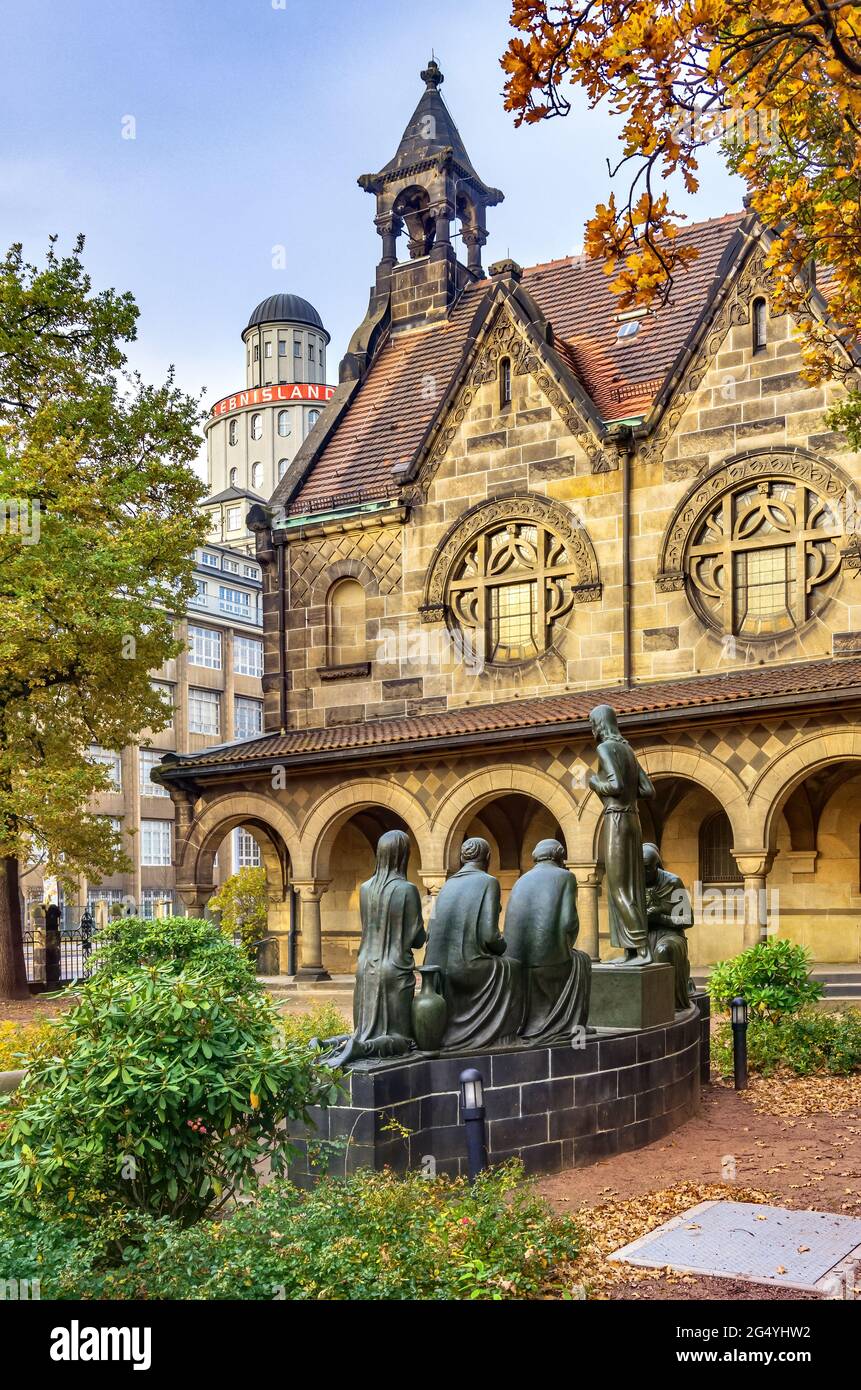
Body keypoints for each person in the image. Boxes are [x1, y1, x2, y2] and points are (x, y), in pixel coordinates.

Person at [324, 829, 426, 1067]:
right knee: (403, 1039)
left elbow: (370, 928)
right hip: (395, 970)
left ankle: (328, 1043)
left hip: (365, 967)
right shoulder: (407, 890)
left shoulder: (365, 889)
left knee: (364, 1029)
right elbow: (417, 939)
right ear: (403, 855)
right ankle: (362, 1049)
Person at [424, 837, 522, 1048]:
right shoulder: (488, 882)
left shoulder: (447, 885)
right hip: (467, 968)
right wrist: (503, 948)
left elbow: (430, 929)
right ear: (487, 857)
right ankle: (501, 1037)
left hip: (438, 971)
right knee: (512, 968)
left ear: (461, 858)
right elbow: (489, 936)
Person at [504, 840, 592, 1043]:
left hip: (516, 962)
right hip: (549, 961)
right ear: (559, 856)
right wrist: (567, 946)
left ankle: (534, 1023)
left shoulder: (522, 880)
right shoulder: (565, 877)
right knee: (582, 960)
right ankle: (571, 1026)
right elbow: (569, 921)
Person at [588, 704, 655, 965]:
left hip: (615, 818)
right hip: (633, 819)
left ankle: (643, 951)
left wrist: (595, 782)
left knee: (618, 889)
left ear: (598, 724)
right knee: (632, 887)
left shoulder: (604, 749)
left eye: (592, 723)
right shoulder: (628, 750)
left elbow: (614, 785)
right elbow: (648, 790)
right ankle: (630, 951)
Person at [643, 842, 694, 1010]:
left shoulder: (673, 882)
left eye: (647, 868)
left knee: (663, 951)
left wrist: (660, 917)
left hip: (671, 935)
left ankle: (665, 1006)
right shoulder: (633, 884)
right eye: (639, 868)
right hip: (643, 936)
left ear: (657, 865)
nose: (642, 873)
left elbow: (688, 920)